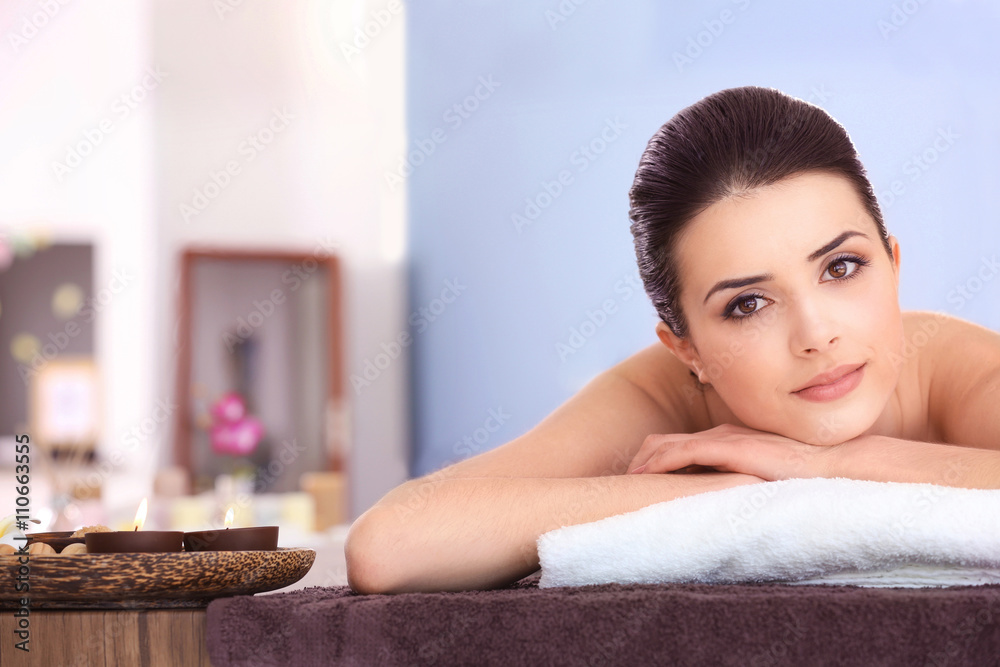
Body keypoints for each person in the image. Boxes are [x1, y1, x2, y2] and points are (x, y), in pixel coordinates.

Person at [345, 85, 1000, 594]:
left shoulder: (961, 372)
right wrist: (715, 491)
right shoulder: (658, 397)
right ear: (686, 348)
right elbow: (390, 545)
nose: (816, 333)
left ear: (893, 264)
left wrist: (821, 467)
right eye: (748, 304)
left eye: (842, 267)